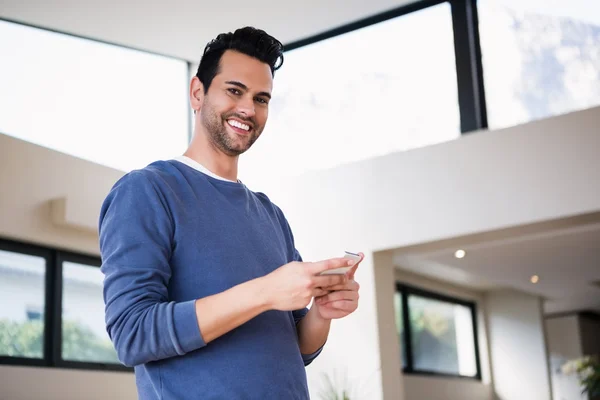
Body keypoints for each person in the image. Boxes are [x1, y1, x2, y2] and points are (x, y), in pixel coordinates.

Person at [99, 26, 362, 399]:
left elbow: (296, 348)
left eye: (261, 98)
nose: (247, 109)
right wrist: (265, 292)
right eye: (234, 91)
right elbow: (133, 333)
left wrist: (322, 311)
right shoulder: (147, 190)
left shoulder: (271, 216)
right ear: (197, 92)